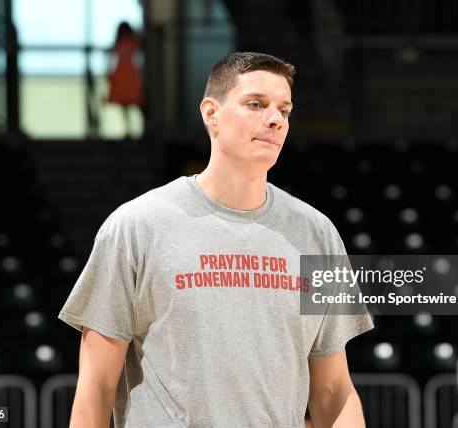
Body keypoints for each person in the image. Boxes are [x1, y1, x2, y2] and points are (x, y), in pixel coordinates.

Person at [59, 51, 374, 427]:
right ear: (211, 113)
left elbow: (334, 391)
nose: (274, 119)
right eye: (256, 104)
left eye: (284, 110)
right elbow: (95, 387)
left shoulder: (317, 234)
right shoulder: (136, 226)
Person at [106, 21, 145, 138]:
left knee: (133, 103)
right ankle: (129, 129)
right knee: (127, 104)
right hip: (126, 75)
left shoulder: (130, 43)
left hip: (127, 75)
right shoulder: (129, 43)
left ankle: (132, 129)